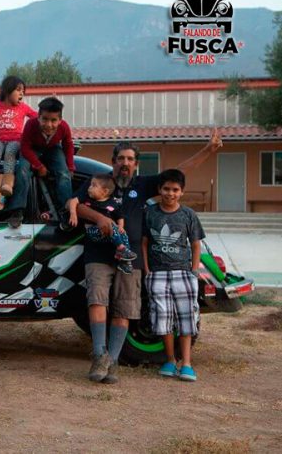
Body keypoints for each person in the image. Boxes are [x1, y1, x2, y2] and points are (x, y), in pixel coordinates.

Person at [74, 130, 222, 385]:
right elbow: (76, 204)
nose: (125, 163)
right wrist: (99, 218)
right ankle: (99, 355)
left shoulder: (142, 185)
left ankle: (113, 361)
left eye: (130, 159)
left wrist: (208, 150)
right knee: (96, 301)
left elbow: (178, 173)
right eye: (121, 158)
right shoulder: (98, 181)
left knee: (124, 307)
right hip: (98, 254)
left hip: (131, 259)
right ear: (113, 161)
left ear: (136, 164)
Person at [142, 169, 205, 382]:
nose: (170, 193)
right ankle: (169, 360)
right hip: (157, 273)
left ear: (182, 192)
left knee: (187, 317)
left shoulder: (188, 214)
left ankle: (186, 363)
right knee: (163, 318)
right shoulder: (150, 213)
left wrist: (194, 271)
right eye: (166, 189)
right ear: (159, 190)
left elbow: (195, 244)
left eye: (175, 190)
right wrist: (147, 269)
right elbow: (144, 243)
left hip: (183, 273)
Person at [6, 96, 75, 226]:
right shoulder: (30, 125)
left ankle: (65, 210)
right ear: (38, 117)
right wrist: (39, 166)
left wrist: (70, 167)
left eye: (53, 120)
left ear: (60, 120)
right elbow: (25, 148)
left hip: (53, 148)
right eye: (45, 119)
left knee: (64, 173)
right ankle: (17, 210)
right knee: (22, 170)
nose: (49, 125)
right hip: (32, 148)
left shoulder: (64, 127)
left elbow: (68, 145)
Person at [68, 174, 137, 275]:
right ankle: (121, 248)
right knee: (111, 225)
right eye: (90, 185)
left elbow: (120, 216)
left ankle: (125, 262)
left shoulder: (113, 203)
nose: (89, 187)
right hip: (93, 231)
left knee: (123, 234)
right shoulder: (87, 198)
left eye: (94, 185)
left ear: (105, 191)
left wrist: (121, 227)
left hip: (108, 235)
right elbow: (73, 201)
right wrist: (73, 214)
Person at [0, 76, 37, 197]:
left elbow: (37, 117)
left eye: (23, 91)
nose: (21, 93)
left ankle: (7, 183)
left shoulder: (23, 107)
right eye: (18, 90)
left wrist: (50, 106)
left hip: (15, 140)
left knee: (10, 153)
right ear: (8, 90)